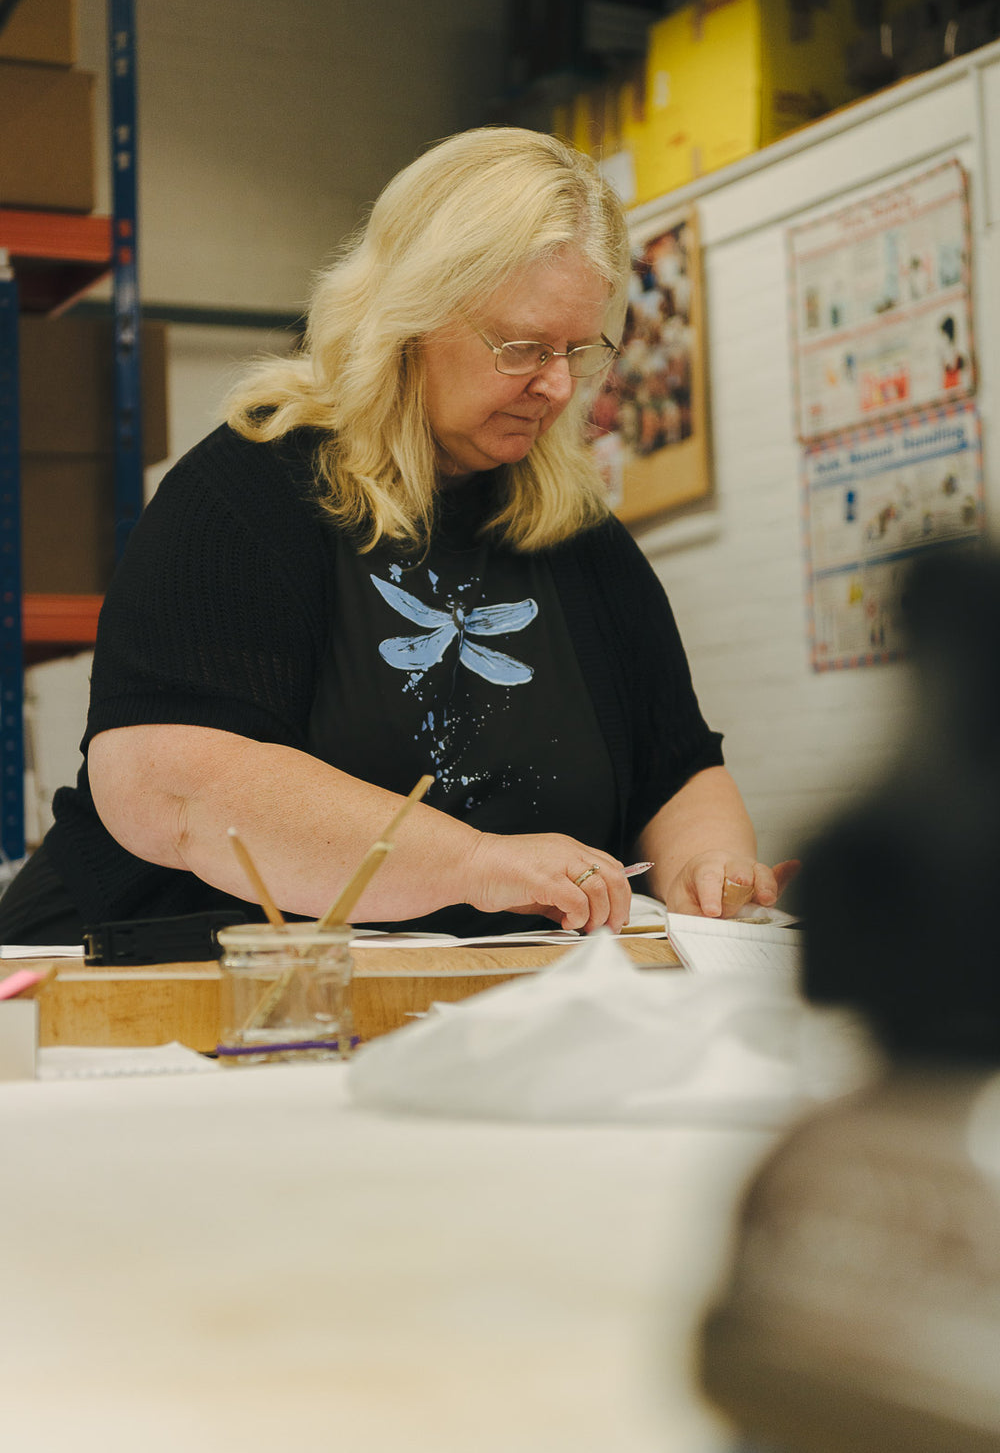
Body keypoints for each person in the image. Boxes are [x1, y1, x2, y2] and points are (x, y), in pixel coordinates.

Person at [0, 127, 795, 946]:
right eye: (521, 347)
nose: (556, 384)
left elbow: (678, 771)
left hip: (442, 1011)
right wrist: (475, 863)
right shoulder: (245, 496)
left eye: (577, 350)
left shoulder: (578, 535)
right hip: (134, 1001)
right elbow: (176, 786)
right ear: (410, 317)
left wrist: (708, 862)